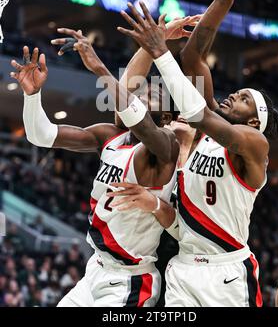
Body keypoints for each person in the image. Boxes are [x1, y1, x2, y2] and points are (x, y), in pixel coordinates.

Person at [112, 0, 278, 307]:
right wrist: (222, 1)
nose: (231, 95)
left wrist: (160, 52)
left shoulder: (253, 144)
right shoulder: (209, 128)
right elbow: (192, 58)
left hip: (226, 274)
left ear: (254, 121)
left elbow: (199, 114)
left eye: (241, 98)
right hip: (183, 268)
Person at [9, 17, 197, 307]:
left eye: (154, 93)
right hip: (95, 269)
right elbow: (41, 135)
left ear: (167, 118)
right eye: (142, 90)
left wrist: (98, 66)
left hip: (131, 280)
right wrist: (32, 96)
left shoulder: (166, 147)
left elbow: (137, 117)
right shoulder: (110, 137)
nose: (144, 91)